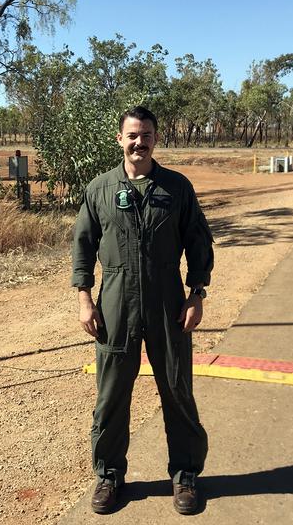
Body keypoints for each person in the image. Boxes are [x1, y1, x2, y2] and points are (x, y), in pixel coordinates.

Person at [72, 106, 214, 515]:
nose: (139, 142)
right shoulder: (99, 189)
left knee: (177, 389)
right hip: (115, 303)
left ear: (156, 139)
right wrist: (84, 299)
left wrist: (196, 293)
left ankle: (185, 476)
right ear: (120, 139)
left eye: (146, 134)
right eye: (132, 135)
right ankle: (109, 476)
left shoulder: (176, 188)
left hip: (168, 303)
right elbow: (82, 245)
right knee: (112, 394)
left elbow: (198, 242)